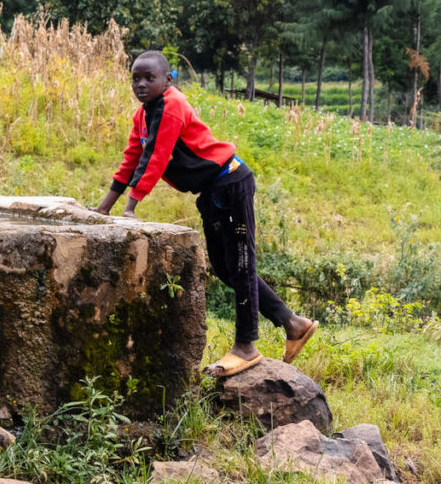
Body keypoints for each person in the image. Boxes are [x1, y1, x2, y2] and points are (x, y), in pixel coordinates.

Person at [93, 50, 319, 377]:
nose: (141, 85)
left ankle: (246, 346)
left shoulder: (172, 107)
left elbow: (156, 158)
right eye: (135, 78)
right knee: (225, 268)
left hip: (231, 182)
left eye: (149, 78)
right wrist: (104, 207)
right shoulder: (142, 116)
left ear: (167, 80)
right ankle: (293, 323)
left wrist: (131, 206)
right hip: (211, 192)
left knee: (241, 266)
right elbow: (132, 159)